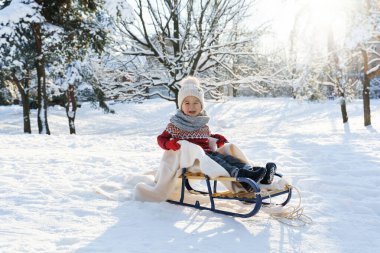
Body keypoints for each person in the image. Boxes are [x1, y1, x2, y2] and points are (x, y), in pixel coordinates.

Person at [157, 76, 277, 191]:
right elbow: (161, 139)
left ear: (201, 105)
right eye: (187, 103)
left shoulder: (202, 124)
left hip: (208, 155)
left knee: (228, 158)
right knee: (219, 162)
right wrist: (169, 144)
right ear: (181, 105)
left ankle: (256, 174)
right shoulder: (175, 124)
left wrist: (216, 138)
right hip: (192, 161)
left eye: (196, 103)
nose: (191, 106)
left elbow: (206, 137)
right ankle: (242, 178)